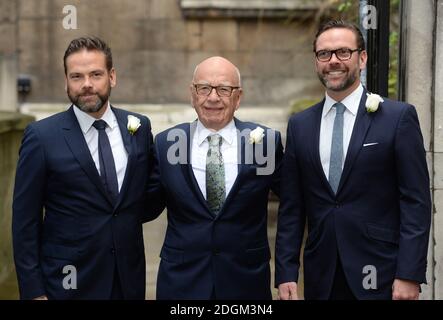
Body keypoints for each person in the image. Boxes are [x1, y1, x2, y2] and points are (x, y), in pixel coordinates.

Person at [275, 20, 431, 300]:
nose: (333, 61)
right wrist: (286, 271)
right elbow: (292, 208)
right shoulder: (299, 125)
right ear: (316, 62)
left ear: (362, 58)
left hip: (382, 273)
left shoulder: (397, 118)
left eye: (343, 52)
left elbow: (415, 202)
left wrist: (408, 274)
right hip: (321, 275)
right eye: (324, 54)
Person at [12, 36, 156, 300]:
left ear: (112, 77)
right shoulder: (41, 137)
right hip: (67, 284)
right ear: (66, 81)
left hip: (127, 280)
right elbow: (25, 221)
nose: (87, 84)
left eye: (96, 74)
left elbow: (146, 198)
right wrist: (34, 291)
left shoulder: (139, 128)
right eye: (76, 76)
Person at [148, 56, 283, 299]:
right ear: (192, 94)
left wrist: (288, 271)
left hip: (246, 283)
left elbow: (294, 205)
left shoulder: (264, 144)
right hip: (182, 284)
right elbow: (144, 206)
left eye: (223, 89)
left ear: (238, 97)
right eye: (204, 88)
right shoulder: (166, 144)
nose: (212, 97)